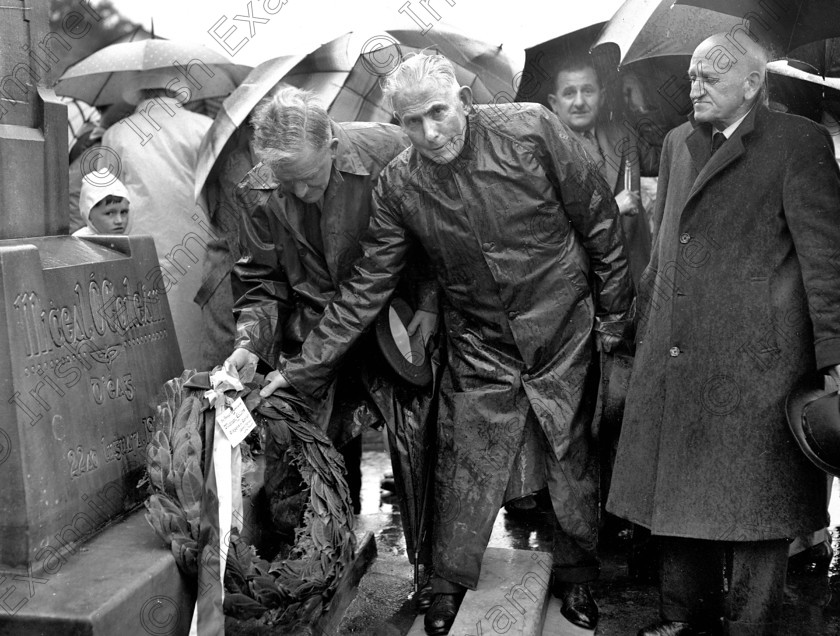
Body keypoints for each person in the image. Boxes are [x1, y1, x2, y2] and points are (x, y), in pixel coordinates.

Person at [258, 53, 634, 635]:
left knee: (572, 451)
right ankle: (446, 582)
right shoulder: (399, 183)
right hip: (479, 335)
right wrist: (304, 368)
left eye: (438, 112)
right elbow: (367, 286)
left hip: (562, 320)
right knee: (465, 455)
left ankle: (579, 575)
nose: (430, 134)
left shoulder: (531, 127)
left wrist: (614, 317)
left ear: (461, 96)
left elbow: (599, 220)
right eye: (412, 122)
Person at [607, 33, 840, 636]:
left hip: (760, 357)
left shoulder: (799, 143)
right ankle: (686, 617)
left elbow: (826, 262)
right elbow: (664, 247)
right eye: (691, 78)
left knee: (757, 500)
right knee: (679, 488)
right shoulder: (678, 142)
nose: (694, 89)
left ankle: (750, 623)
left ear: (753, 83)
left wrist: (836, 356)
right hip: (679, 344)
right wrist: (640, 326)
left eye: (710, 78)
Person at [224, 86, 439, 524]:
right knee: (307, 457)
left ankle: (432, 574)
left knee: (423, 446)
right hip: (314, 326)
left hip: (398, 314)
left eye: (310, 176)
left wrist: (432, 300)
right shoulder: (257, 192)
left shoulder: (389, 152)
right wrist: (250, 343)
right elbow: (261, 281)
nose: (301, 191)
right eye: (287, 182)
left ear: (333, 147)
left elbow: (436, 235)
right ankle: (333, 546)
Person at [99, 86, 212, 370]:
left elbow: (103, 200)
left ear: (137, 93)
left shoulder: (116, 134)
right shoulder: (205, 128)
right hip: (198, 247)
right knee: (197, 331)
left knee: (146, 336)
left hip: (139, 249)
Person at [547, 55, 659, 286]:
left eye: (587, 90)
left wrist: (640, 105)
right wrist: (613, 208)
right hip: (589, 286)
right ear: (554, 103)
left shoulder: (623, 135)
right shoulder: (544, 156)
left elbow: (660, 159)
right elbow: (553, 234)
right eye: (569, 93)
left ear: (602, 96)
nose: (579, 102)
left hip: (637, 276)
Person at [72, 169, 130, 236]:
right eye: (109, 213)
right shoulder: (78, 243)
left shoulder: (130, 242)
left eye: (124, 212)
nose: (119, 221)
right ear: (89, 215)